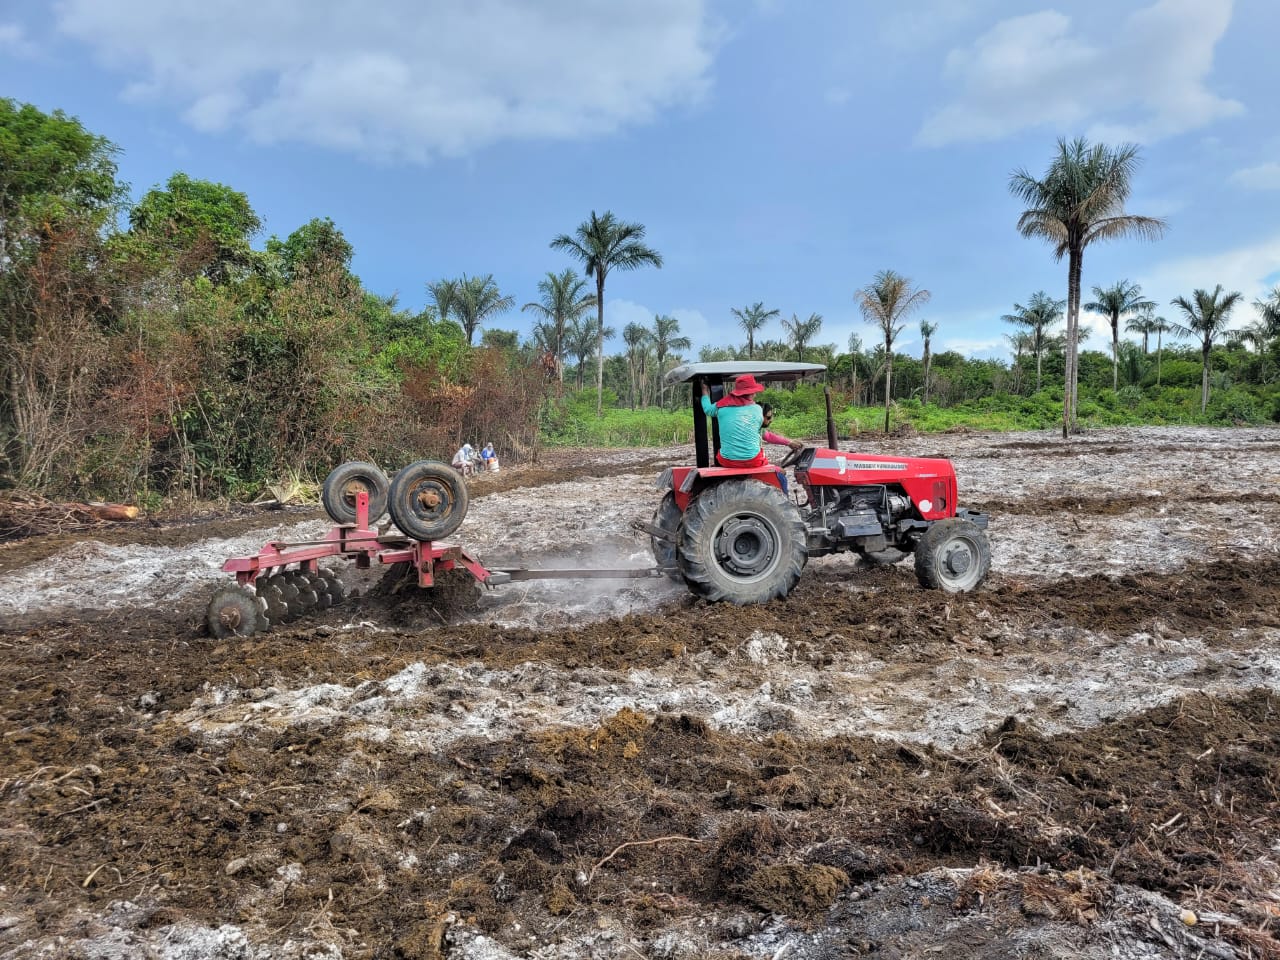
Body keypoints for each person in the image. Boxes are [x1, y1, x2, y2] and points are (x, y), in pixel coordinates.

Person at [700, 375, 768, 468]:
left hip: (727, 461)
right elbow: (759, 429)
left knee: (721, 455)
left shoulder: (721, 406)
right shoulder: (757, 409)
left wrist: (704, 391)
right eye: (754, 392)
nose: (755, 394)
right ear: (751, 393)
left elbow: (707, 409)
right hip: (753, 461)